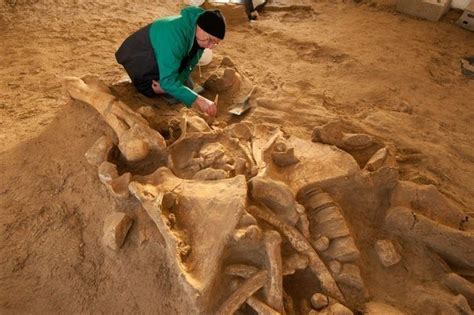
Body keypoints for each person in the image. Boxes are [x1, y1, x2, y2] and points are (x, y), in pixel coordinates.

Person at [115, 7, 226, 117]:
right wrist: (200, 100)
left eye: (215, 43)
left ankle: (169, 86)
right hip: (139, 55)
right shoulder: (175, 37)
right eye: (210, 40)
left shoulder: (197, 32)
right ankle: (144, 82)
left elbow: (189, 67)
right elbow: (168, 82)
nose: (211, 47)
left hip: (163, 50)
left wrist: (173, 85)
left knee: (186, 86)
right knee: (153, 90)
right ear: (201, 28)